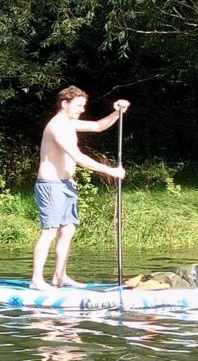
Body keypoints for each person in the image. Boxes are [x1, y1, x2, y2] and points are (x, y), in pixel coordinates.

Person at [32, 87, 129, 290]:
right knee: (49, 231)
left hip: (66, 185)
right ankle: (37, 280)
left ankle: (60, 277)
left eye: (83, 106)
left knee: (67, 230)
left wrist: (117, 112)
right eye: (78, 106)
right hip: (51, 185)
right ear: (64, 104)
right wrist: (111, 171)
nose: (82, 110)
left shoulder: (70, 123)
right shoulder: (57, 126)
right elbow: (78, 158)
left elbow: (98, 126)